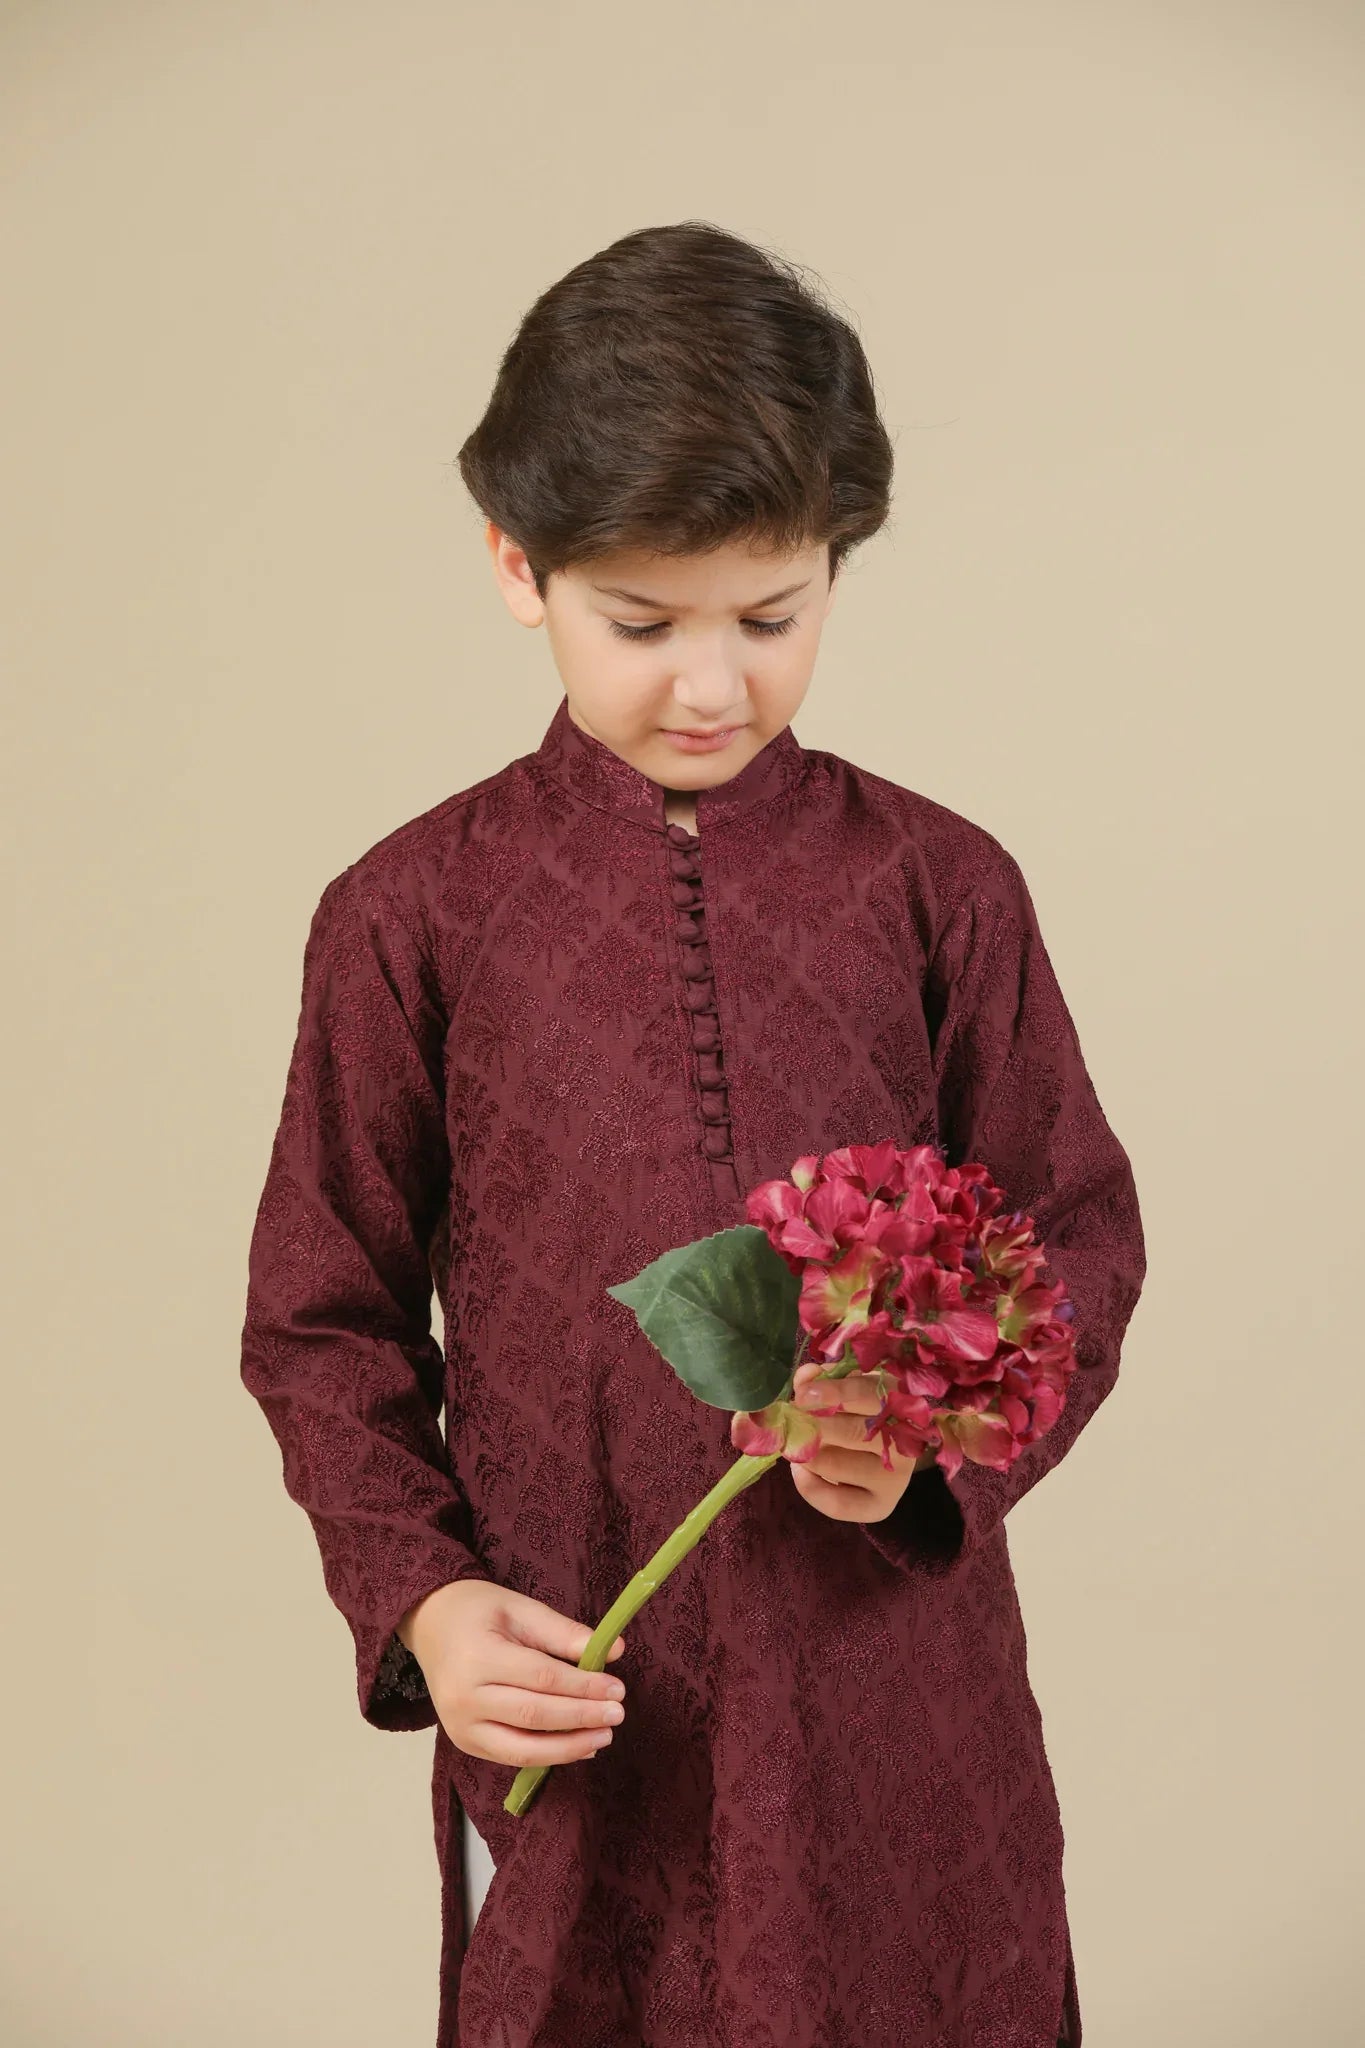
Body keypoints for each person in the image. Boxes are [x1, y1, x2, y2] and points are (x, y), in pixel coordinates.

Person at [238, 220, 1145, 2048]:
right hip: (584, 1693)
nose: (710, 685)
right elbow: (320, 1322)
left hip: (894, 1697)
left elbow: (1072, 1238)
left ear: (836, 566)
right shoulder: (409, 914)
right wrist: (427, 1605)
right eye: (642, 624)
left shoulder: (939, 885)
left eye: (771, 616)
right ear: (517, 565)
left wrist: (926, 1455)